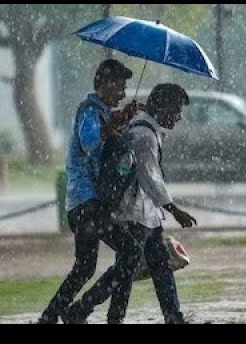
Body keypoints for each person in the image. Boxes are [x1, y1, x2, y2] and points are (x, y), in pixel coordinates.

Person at [61, 83, 197, 325]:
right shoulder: (144, 136)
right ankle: (83, 310)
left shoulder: (142, 129)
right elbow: (150, 177)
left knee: (158, 265)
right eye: (176, 110)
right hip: (134, 212)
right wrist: (174, 210)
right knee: (126, 269)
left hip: (146, 213)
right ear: (161, 107)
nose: (179, 117)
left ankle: (171, 317)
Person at [36, 58, 139, 324]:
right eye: (119, 86)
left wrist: (121, 120)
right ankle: (81, 310)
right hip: (86, 203)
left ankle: (51, 316)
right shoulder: (89, 111)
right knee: (129, 251)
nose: (123, 92)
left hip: (87, 205)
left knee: (84, 268)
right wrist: (113, 124)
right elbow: (92, 142)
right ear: (104, 84)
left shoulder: (102, 112)